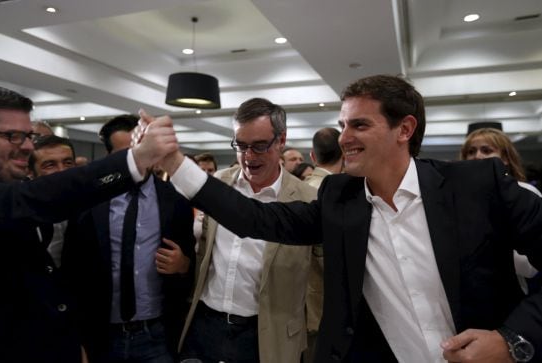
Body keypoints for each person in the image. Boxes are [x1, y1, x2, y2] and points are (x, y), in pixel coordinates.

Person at [148, 74, 542, 363]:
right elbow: (256, 219)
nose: (343, 138)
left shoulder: (476, 185)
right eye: (342, 125)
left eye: (359, 124)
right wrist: (176, 165)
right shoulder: (340, 199)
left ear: (404, 128)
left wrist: (512, 340)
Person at [0, 86, 178, 363]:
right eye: (13, 136)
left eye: (28, 136)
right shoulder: (20, 197)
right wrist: (136, 158)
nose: (28, 146)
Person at [178, 98, 317, 363]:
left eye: (259, 146)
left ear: (281, 140)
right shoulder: (218, 184)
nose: (248, 156)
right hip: (205, 325)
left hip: (266, 334)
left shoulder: (308, 200)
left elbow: (321, 280)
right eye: (240, 146)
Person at [62, 114, 195, 363]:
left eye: (145, 149)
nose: (141, 158)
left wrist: (183, 264)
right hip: (100, 333)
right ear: (111, 156)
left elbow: (192, 263)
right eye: (129, 153)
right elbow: (71, 269)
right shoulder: (88, 200)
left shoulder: (175, 200)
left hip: (157, 334)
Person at [460, 127, 540, 294]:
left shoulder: (523, 193)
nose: (478, 156)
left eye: (487, 150)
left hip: (509, 294)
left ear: (505, 158)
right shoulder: (455, 197)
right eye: (471, 151)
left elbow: (530, 267)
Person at [302, 126, 343, 363]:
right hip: (322, 308)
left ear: (313, 156)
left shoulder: (295, 189)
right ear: (345, 154)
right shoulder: (336, 196)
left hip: (291, 308)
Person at [28, 134, 77, 266]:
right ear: (30, 173)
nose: (62, 171)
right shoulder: (21, 211)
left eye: (68, 163)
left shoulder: (91, 209)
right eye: (50, 165)